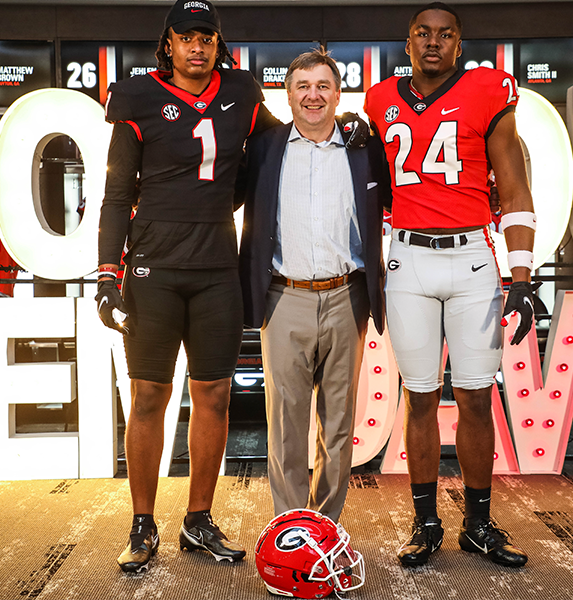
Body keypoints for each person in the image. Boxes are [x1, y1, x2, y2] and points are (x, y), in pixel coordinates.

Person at [95, 0, 280, 573]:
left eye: (207, 37)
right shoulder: (137, 96)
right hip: (153, 266)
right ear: (168, 44)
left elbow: (278, 147)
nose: (197, 47)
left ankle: (197, 520)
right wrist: (107, 271)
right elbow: (117, 190)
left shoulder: (243, 93)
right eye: (186, 37)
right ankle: (143, 523)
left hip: (217, 266)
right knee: (148, 395)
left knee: (215, 395)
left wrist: (344, 129)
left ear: (218, 44)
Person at [365, 2, 535, 567]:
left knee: (475, 397)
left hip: (471, 258)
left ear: (459, 44)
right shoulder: (379, 99)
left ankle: (478, 524)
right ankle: (425, 522)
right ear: (407, 41)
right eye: (423, 33)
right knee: (417, 397)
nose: (433, 43)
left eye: (445, 35)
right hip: (407, 256)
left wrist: (521, 272)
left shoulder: (489, 90)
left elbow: (512, 186)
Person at [238, 48, 389, 523]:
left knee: (339, 427)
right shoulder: (265, 148)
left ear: (338, 93)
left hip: (347, 296)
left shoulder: (363, 147)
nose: (313, 95)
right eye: (303, 87)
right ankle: (289, 530)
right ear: (288, 96)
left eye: (323, 86)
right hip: (284, 299)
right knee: (285, 428)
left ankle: (325, 529)